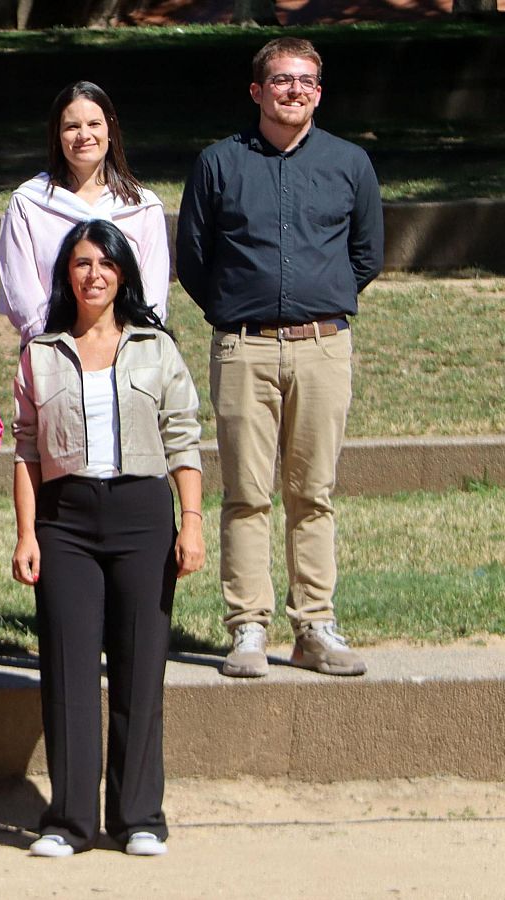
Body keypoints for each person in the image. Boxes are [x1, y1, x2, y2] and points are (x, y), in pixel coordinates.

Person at [177, 37, 383, 679]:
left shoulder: (350, 163)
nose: (295, 90)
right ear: (257, 90)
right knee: (245, 493)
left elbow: (366, 255)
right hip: (243, 349)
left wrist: (320, 303)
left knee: (313, 492)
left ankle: (315, 625)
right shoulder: (219, 163)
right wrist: (238, 308)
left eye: (307, 81)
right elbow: (194, 259)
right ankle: (246, 628)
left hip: (324, 348)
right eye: (282, 80)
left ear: (319, 90)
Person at [11, 219, 205, 859]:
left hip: (142, 513)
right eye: (81, 263)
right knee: (66, 668)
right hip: (65, 519)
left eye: (106, 263)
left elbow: (184, 438)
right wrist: (26, 533)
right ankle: (68, 820)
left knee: (139, 666)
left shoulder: (156, 348)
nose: (93, 275)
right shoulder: (42, 352)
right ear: (66, 274)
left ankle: (139, 815)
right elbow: (26, 450)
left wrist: (193, 522)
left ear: (123, 272)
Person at [0, 81, 169, 344]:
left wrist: (127, 345)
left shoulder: (143, 207)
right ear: (57, 135)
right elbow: (21, 292)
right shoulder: (28, 203)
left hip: (128, 353)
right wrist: (55, 344)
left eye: (94, 124)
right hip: (52, 350)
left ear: (110, 130)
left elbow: (153, 295)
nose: (84, 135)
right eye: (72, 127)